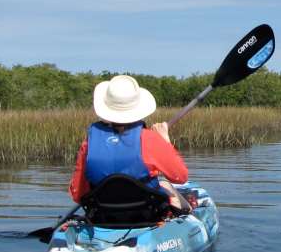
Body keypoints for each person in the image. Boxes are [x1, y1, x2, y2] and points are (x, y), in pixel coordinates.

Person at [69, 74, 190, 211]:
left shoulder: (89, 143)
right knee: (167, 186)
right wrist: (165, 141)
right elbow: (180, 177)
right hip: (147, 215)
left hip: (103, 215)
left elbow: (77, 194)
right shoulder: (151, 139)